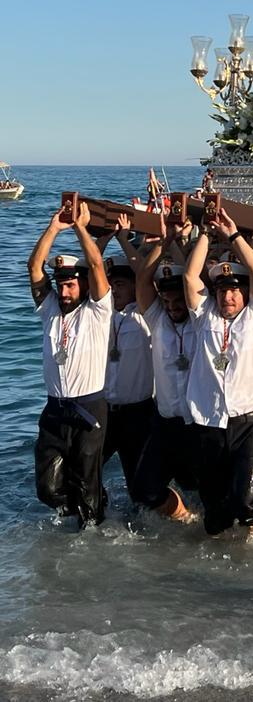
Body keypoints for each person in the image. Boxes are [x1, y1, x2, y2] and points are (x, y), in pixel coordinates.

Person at [184, 208, 253, 538]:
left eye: (235, 289)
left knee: (246, 500)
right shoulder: (205, 316)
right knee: (215, 510)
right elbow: (191, 277)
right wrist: (207, 233)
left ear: (245, 293)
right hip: (209, 423)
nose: (229, 295)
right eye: (222, 290)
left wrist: (234, 236)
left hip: (250, 422)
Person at [28, 202, 112, 528]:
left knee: (87, 489)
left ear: (84, 285)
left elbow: (96, 263)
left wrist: (80, 227)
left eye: (71, 284)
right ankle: (79, 509)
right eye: (61, 284)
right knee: (48, 489)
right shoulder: (50, 307)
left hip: (90, 407)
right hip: (55, 409)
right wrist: (54, 228)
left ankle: (92, 533)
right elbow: (34, 268)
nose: (64, 291)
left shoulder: (97, 311)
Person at [131, 216, 200, 522]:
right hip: (166, 421)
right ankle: (184, 517)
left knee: (202, 485)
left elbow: (197, 282)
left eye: (178, 301)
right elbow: (143, 283)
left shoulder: (203, 322)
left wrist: (182, 244)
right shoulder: (158, 320)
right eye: (167, 300)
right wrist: (163, 244)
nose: (172, 307)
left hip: (199, 423)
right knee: (144, 488)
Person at [102, 253, 155, 500]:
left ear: (135, 285)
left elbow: (146, 276)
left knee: (139, 486)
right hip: (105, 411)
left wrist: (125, 241)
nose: (114, 290)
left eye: (120, 285)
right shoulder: (101, 316)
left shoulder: (146, 316)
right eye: (111, 285)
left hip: (138, 413)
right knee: (81, 472)